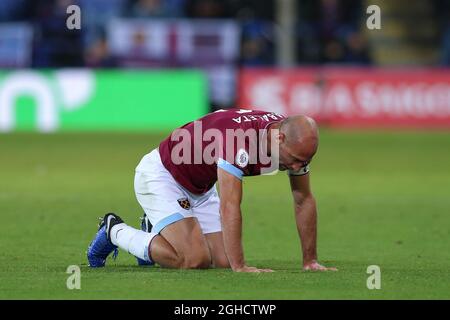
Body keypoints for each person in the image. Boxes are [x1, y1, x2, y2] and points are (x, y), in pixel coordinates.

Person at [87, 109, 337, 272]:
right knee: (194, 259)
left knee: (222, 261)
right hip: (162, 176)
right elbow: (230, 205)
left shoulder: (293, 142)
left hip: (201, 187)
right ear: (280, 139)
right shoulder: (239, 140)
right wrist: (241, 267)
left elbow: (303, 199)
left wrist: (310, 261)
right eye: (293, 160)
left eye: (303, 162)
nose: (296, 167)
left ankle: (155, 227)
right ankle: (114, 231)